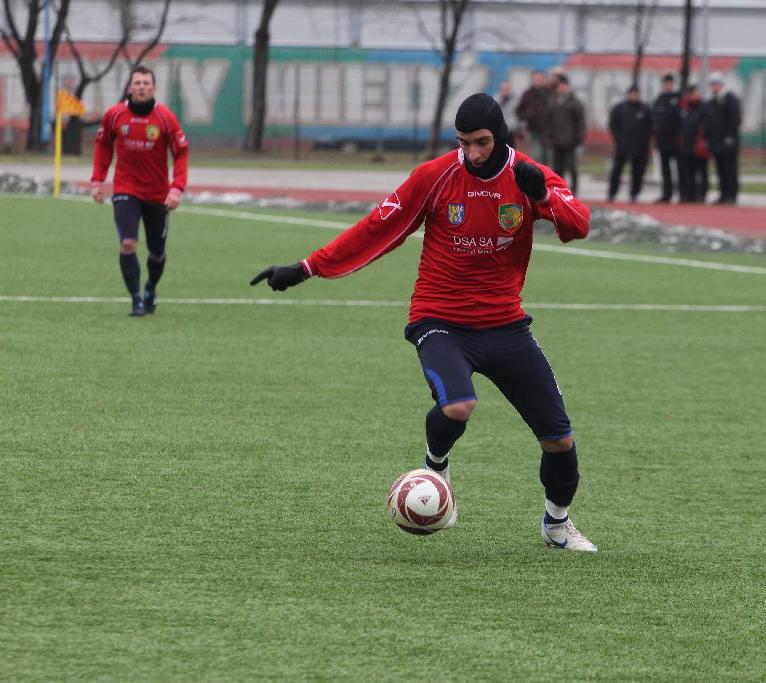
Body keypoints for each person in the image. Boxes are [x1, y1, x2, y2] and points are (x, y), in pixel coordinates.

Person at [251, 93, 597, 552]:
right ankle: (436, 464)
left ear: (501, 137)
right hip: (440, 320)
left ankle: (557, 525)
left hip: (506, 324)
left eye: (481, 142)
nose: (472, 153)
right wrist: (306, 268)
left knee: (559, 439)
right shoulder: (435, 177)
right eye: (463, 142)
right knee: (458, 406)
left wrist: (543, 196)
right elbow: (378, 228)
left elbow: (579, 226)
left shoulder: (528, 176)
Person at [91, 65, 188, 317]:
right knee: (128, 243)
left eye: (146, 83)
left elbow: (181, 153)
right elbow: (102, 145)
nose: (142, 87)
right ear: (129, 87)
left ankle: (150, 288)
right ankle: (136, 300)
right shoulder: (114, 115)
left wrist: (177, 188)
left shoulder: (166, 118)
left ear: (154, 88)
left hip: (158, 193)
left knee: (157, 253)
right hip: (125, 189)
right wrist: (97, 180)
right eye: (137, 83)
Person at [607, 85, 654, 203]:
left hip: (639, 147)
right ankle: (612, 193)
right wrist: (619, 139)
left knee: (638, 172)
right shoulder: (620, 108)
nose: (634, 95)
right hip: (623, 145)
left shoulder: (645, 108)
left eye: (636, 93)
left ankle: (634, 193)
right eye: (632, 93)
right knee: (617, 170)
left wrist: (645, 140)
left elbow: (651, 126)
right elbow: (613, 124)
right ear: (628, 94)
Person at [544, 74, 586, 194]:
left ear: (568, 87)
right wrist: (548, 136)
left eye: (564, 86)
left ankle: (574, 189)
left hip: (570, 140)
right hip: (556, 140)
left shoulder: (575, 102)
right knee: (557, 167)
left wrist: (579, 137)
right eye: (560, 86)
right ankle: (559, 188)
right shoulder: (552, 101)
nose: (562, 89)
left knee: (572, 166)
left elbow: (581, 121)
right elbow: (548, 120)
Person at [704, 72, 741, 204]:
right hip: (717, 141)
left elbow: (734, 119)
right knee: (720, 169)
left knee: (730, 168)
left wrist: (730, 136)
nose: (713, 87)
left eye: (715, 84)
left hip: (728, 142)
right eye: (712, 85)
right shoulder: (712, 101)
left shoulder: (730, 99)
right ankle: (723, 193)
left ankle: (731, 195)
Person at [676, 82, 708, 203]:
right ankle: (687, 194)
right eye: (689, 93)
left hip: (699, 145)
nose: (691, 96)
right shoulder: (683, 108)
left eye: (693, 93)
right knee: (686, 172)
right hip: (686, 145)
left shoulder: (703, 107)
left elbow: (707, 125)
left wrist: (704, 141)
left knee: (701, 172)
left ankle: (701, 195)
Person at [652, 74, 682, 203]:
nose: (667, 85)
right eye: (665, 83)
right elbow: (654, 119)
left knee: (680, 168)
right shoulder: (659, 99)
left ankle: (683, 194)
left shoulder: (679, 98)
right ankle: (666, 194)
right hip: (663, 141)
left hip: (676, 141)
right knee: (665, 169)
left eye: (669, 82)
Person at [515, 71, 550, 163]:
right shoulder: (527, 94)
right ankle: (539, 175)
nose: (538, 81)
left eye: (540, 79)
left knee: (549, 156)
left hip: (548, 130)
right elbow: (519, 112)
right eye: (536, 79)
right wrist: (529, 114)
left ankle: (547, 176)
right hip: (533, 129)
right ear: (532, 80)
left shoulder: (549, 93)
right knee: (537, 154)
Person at [494, 80, 518, 147]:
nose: (505, 91)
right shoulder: (496, 99)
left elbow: (517, 113)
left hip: (511, 129)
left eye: (507, 89)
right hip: (499, 129)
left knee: (511, 147)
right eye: (503, 89)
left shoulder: (515, 99)